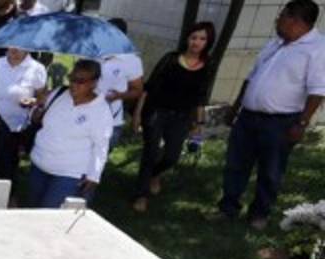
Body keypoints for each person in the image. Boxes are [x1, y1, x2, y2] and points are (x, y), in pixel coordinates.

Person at [219, 0, 324, 230]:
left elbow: (317, 91)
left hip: (281, 122)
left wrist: (302, 123)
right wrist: (236, 107)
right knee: (236, 164)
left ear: (296, 21)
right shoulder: (275, 43)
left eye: (282, 15)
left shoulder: (317, 49)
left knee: (270, 171)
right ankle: (228, 208)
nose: (277, 20)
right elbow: (251, 78)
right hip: (248, 116)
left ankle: (259, 214)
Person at [130, 21, 216, 213]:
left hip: (181, 117)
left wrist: (199, 124)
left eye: (202, 39)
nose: (196, 42)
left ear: (208, 42)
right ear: (187, 38)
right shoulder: (170, 59)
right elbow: (148, 88)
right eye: (193, 37)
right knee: (151, 152)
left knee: (171, 157)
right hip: (156, 111)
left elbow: (201, 98)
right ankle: (141, 195)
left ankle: (153, 175)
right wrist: (137, 115)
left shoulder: (208, 66)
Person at [27, 59, 114, 208]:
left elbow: (101, 145)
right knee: (31, 209)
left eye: (80, 81)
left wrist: (94, 175)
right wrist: (38, 108)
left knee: (50, 214)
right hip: (39, 164)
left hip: (69, 173)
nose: (74, 84)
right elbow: (36, 117)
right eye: (72, 78)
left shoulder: (101, 110)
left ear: (94, 83)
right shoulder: (58, 93)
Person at [0, 46, 48, 203]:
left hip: (15, 129)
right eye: (12, 46)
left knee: (7, 170)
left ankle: (6, 203)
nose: (14, 50)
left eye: (20, 47)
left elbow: (42, 98)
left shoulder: (36, 69)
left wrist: (32, 101)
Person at [102, 18, 145, 148]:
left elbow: (137, 90)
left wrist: (119, 96)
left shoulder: (132, 60)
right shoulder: (92, 54)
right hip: (83, 116)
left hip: (111, 122)